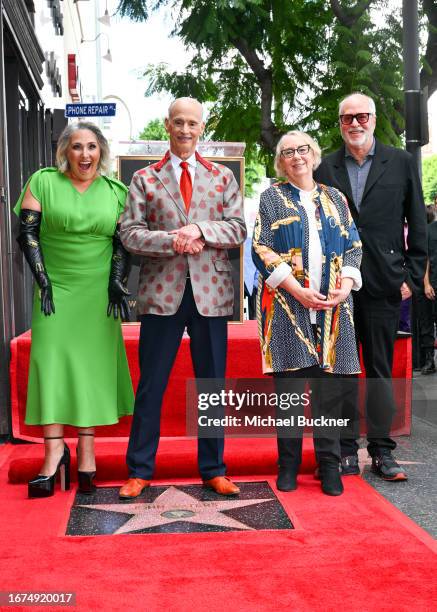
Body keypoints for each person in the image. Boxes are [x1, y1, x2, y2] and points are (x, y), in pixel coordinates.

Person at [118, 97, 247, 499]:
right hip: (162, 295)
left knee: (211, 387)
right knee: (151, 385)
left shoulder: (223, 177)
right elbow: (130, 234)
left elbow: (238, 229)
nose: (186, 130)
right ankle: (139, 469)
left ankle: (213, 468)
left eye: (193, 123)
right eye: (179, 122)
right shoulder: (144, 179)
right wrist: (174, 239)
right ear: (167, 125)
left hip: (211, 295)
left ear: (201, 127)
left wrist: (202, 231)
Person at [14, 121, 134, 498]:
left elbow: (122, 244)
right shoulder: (43, 182)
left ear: (101, 152)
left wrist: (117, 281)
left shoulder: (117, 192)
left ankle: (86, 452)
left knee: (90, 368)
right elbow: (28, 234)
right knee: (49, 363)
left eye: (92, 147)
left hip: (97, 293)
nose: (85, 154)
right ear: (65, 151)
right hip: (55, 288)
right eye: (77, 147)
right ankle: (53, 454)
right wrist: (43, 279)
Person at [314, 92, 427, 480]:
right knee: (341, 370)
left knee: (380, 370)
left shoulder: (401, 162)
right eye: (347, 118)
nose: (355, 124)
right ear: (340, 124)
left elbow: (418, 222)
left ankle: (382, 451)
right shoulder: (324, 166)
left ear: (374, 120)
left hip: (384, 283)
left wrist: (412, 277)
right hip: (336, 286)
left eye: (362, 116)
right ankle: (345, 449)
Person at [252, 130, 362, 496]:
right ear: (280, 162)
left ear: (313, 155)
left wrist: (346, 284)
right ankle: (289, 465)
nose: (296, 157)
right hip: (287, 308)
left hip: (332, 309)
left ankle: (329, 465)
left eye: (302, 150)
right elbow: (260, 249)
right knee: (290, 395)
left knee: (328, 395)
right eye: (287, 152)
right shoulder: (271, 198)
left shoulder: (335, 198)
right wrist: (296, 290)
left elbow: (353, 246)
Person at [417, 205, 437, 374]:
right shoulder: (429, 230)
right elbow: (425, 258)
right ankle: (429, 360)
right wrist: (426, 283)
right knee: (426, 323)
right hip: (430, 283)